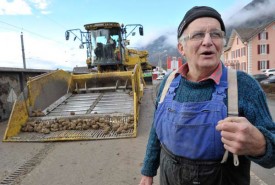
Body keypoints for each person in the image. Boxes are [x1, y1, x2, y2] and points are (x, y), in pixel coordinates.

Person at [139, 6, 275, 185]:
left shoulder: (245, 86)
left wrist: (261, 145)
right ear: (181, 47)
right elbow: (156, 131)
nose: (208, 41)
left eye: (216, 34)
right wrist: (148, 172)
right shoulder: (168, 83)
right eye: (198, 35)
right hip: (168, 177)